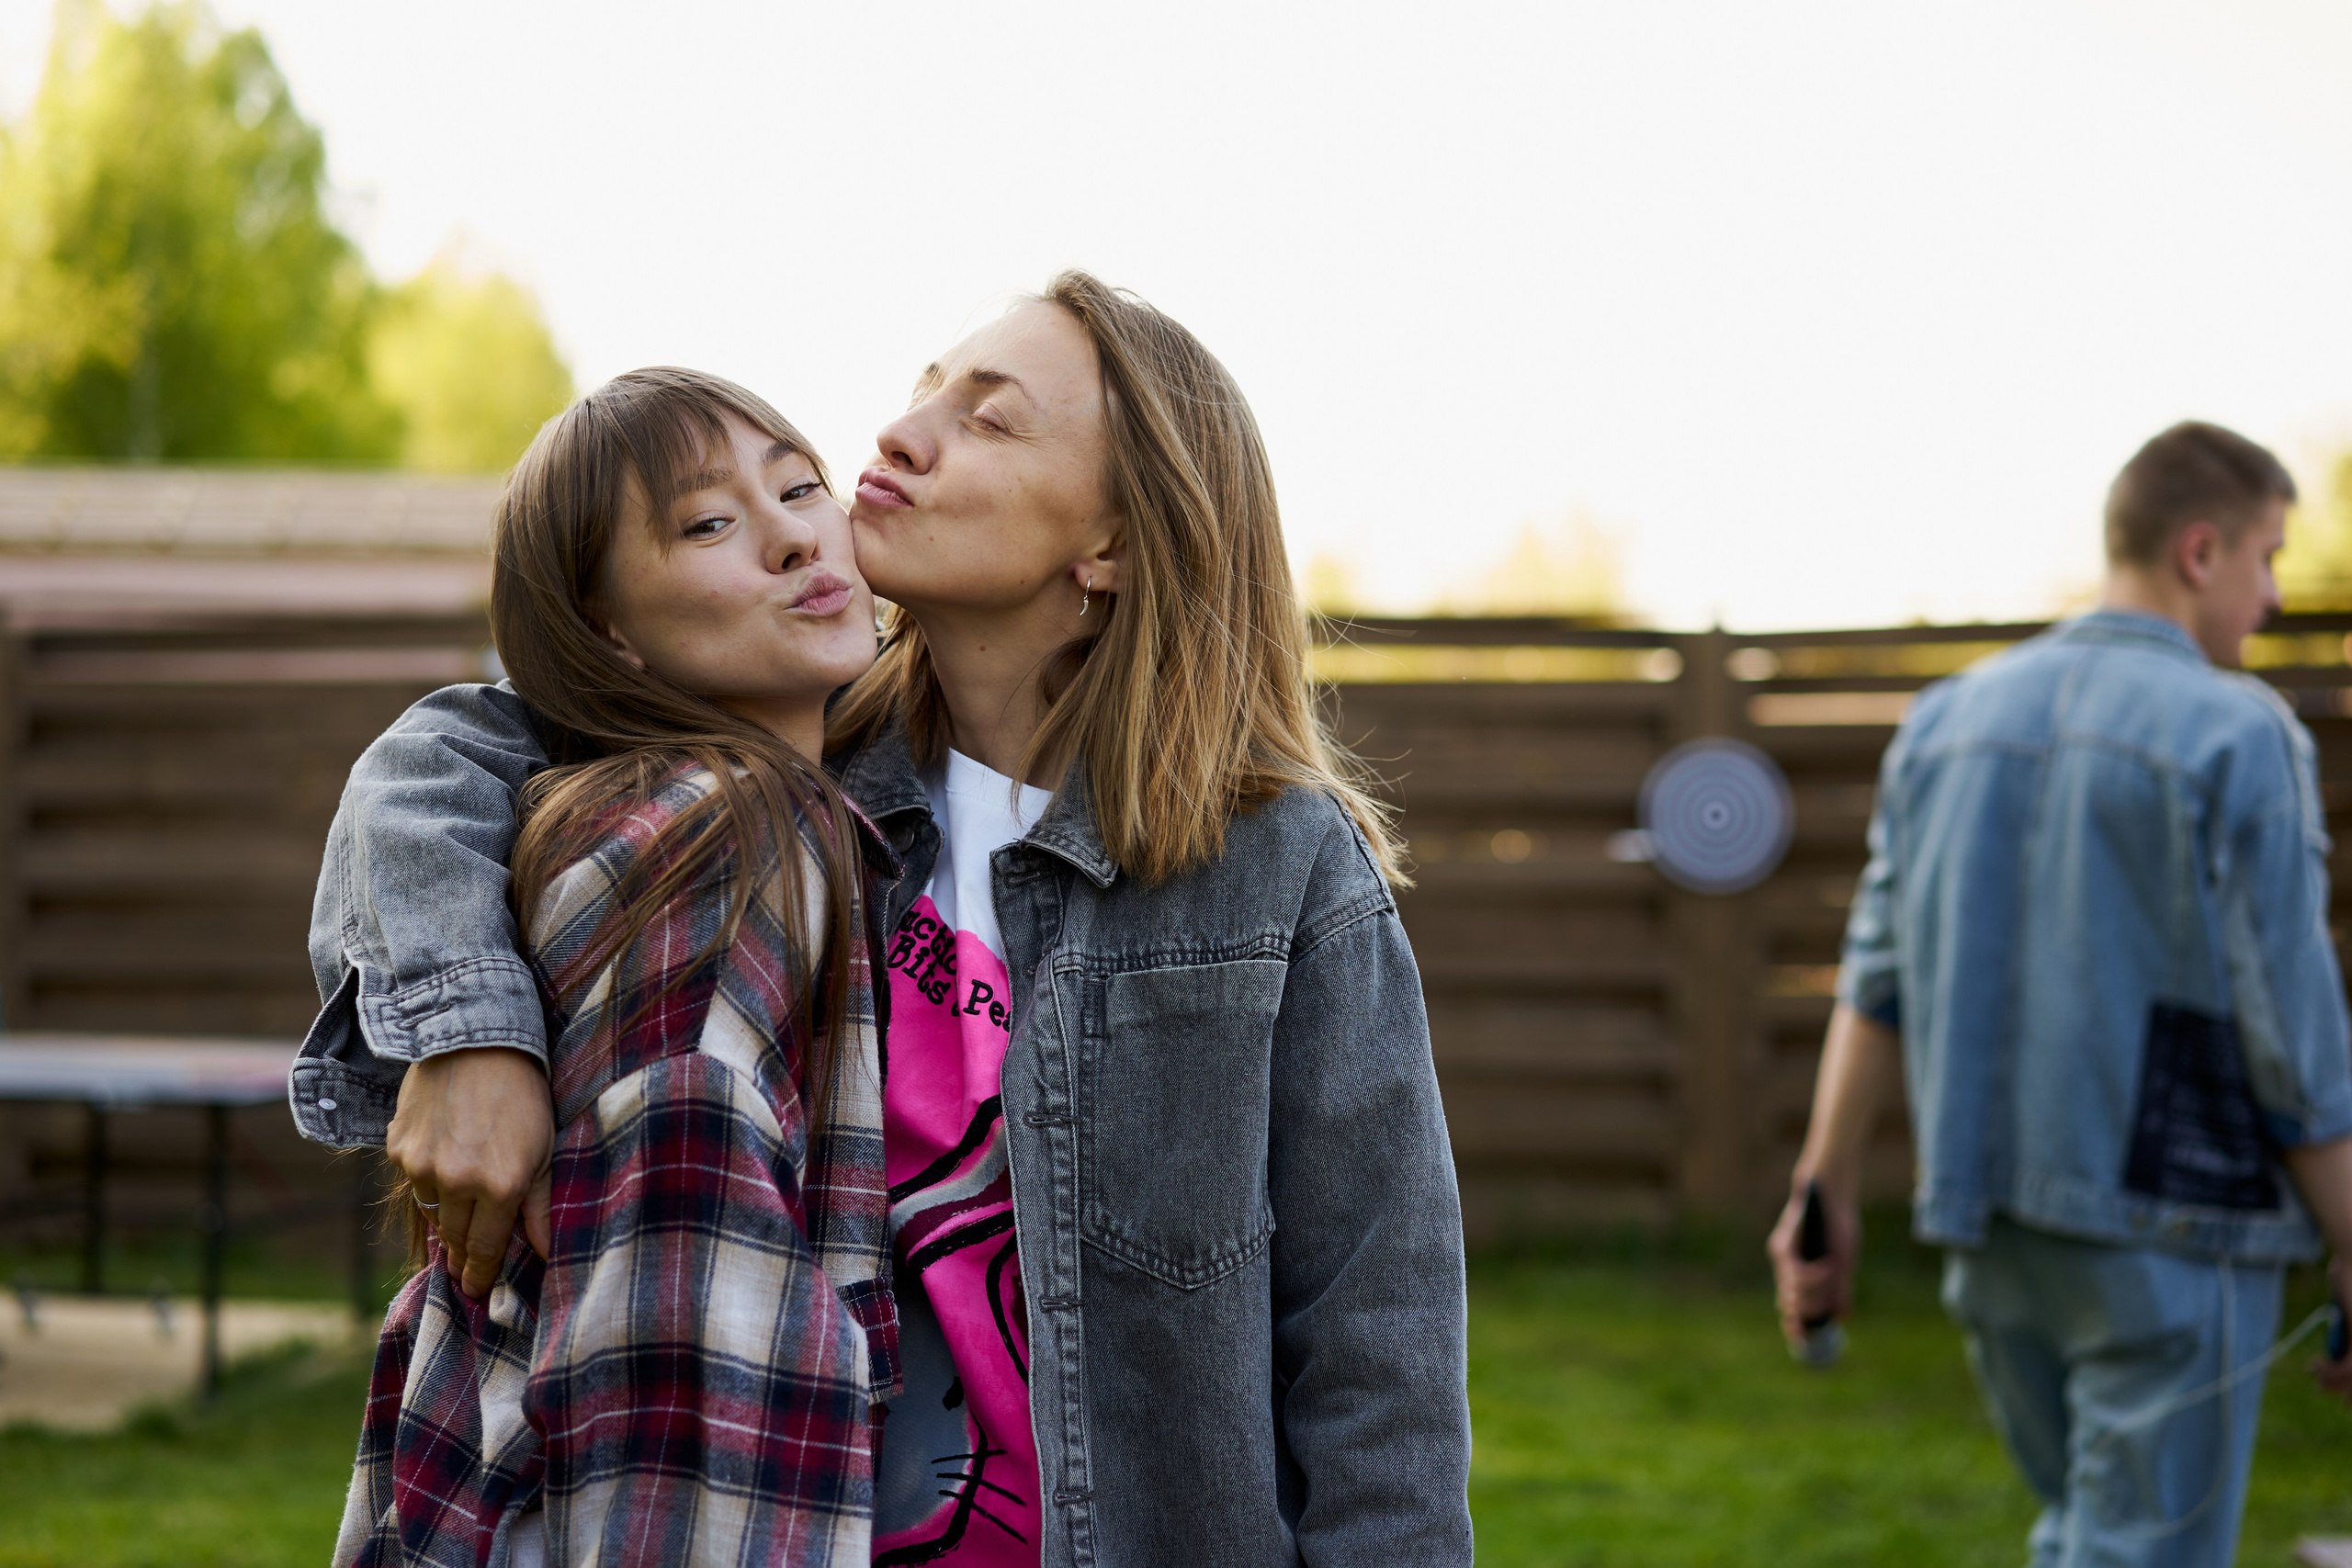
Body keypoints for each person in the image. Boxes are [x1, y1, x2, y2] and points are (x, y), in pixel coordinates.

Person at [292, 273, 1475, 1565]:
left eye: (991, 420)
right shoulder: (784, 762)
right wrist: (471, 1035)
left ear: (1115, 545)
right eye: (923, 392)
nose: (902, 436)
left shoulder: (1281, 870)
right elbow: (443, 752)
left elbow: (1378, 1354)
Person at [319, 368, 901, 1564]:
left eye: (800, 487)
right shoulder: (728, 836)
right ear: (606, 634)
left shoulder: (704, 814)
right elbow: (685, 1339)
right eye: (709, 523)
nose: (795, 534)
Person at [1769, 420, 2352, 1566]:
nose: (2272, 594)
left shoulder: (1943, 722)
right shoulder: (2242, 737)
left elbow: (1872, 978)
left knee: (2085, 1535)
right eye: (2267, 556)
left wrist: (1819, 1198)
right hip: (2170, 1241)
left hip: (1990, 1236)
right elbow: (2294, 1037)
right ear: (2199, 551)